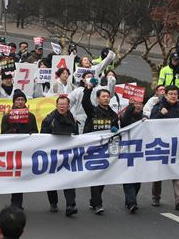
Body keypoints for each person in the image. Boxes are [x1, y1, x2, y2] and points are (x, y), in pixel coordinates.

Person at [150, 85, 179, 211]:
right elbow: (151, 124)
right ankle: (156, 196)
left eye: (176, 94)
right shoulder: (158, 107)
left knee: (178, 171)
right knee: (159, 173)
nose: (174, 96)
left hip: (175, 146)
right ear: (166, 95)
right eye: (171, 94)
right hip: (161, 146)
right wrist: (160, 114)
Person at [81, 85, 119, 214]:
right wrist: (88, 89)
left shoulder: (113, 115)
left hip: (106, 149)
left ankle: (93, 201)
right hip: (92, 148)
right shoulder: (93, 111)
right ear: (98, 99)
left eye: (108, 96)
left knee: (102, 176)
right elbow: (85, 102)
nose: (106, 99)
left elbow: (117, 132)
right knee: (95, 175)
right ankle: (98, 204)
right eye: (103, 96)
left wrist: (115, 131)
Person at [40, 96, 78, 216]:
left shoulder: (73, 119)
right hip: (52, 155)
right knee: (52, 180)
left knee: (69, 180)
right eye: (60, 104)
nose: (62, 106)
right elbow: (42, 138)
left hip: (68, 155)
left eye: (64, 104)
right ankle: (53, 202)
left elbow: (76, 137)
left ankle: (70, 205)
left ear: (68, 106)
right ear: (56, 106)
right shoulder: (49, 120)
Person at [0, 90, 38, 209]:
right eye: (18, 100)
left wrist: (30, 134)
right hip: (13, 151)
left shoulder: (31, 116)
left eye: (22, 100)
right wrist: (14, 129)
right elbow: (3, 134)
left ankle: (17, 203)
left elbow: (36, 132)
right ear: (14, 102)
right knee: (15, 177)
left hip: (26, 151)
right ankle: (15, 203)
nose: (20, 102)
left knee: (22, 177)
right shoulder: (7, 117)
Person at [119, 98, 145, 213]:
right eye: (136, 104)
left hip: (140, 152)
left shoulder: (145, 118)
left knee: (137, 180)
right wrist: (130, 107)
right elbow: (125, 122)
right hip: (127, 150)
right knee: (129, 177)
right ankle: (131, 203)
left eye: (140, 104)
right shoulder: (127, 115)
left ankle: (131, 200)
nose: (138, 106)